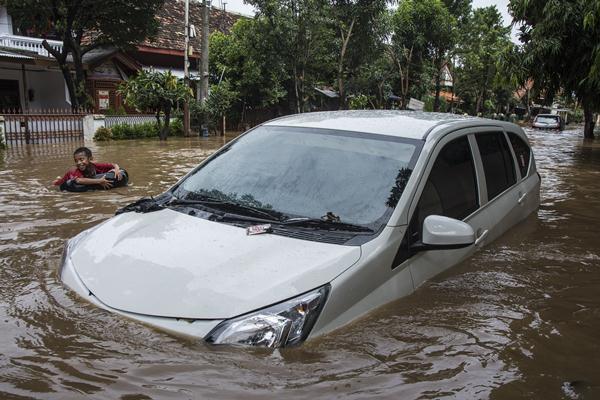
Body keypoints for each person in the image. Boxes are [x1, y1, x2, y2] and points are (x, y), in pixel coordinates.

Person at [53, 147, 122, 190]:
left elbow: (113, 164)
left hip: (88, 176)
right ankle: (58, 179)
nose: (79, 163)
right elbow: (79, 181)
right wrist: (99, 181)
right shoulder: (74, 170)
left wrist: (117, 170)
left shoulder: (95, 165)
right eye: (76, 161)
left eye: (82, 159)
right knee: (57, 182)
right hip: (66, 181)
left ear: (90, 159)